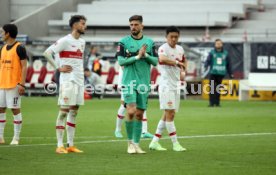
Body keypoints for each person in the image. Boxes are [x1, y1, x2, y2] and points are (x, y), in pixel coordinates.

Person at [43, 15, 87, 154]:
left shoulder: (82, 42)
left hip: (79, 81)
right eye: (82, 23)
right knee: (64, 111)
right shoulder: (64, 41)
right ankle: (59, 145)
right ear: (75, 25)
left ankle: (71, 145)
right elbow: (47, 53)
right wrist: (58, 67)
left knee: (74, 111)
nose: (84, 26)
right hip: (68, 80)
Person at [117, 15, 158, 154]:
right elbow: (121, 62)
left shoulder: (150, 42)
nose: (133, 27)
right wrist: (137, 56)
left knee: (140, 114)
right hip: (129, 81)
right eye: (131, 25)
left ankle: (136, 144)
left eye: (136, 24)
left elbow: (155, 61)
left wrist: (145, 55)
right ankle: (129, 143)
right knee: (131, 111)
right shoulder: (123, 42)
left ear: (142, 26)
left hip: (144, 82)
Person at [149, 26, 187, 152]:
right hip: (166, 85)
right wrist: (177, 63)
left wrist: (182, 71)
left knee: (168, 114)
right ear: (166, 37)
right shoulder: (163, 48)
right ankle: (175, 144)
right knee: (170, 114)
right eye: (171, 37)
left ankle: (154, 142)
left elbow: (183, 62)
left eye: (176, 37)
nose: (174, 39)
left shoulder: (180, 49)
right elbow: (162, 59)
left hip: (175, 85)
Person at [0, 24, 28, 145]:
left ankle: (16, 137)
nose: (1, 34)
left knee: (15, 110)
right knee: (1, 109)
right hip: (2, 84)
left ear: (7, 34)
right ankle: (0, 137)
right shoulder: (3, 47)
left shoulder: (19, 47)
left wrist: (22, 84)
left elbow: (24, 66)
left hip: (14, 85)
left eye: (2, 32)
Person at [114, 65, 153, 139]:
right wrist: (120, 86)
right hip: (127, 84)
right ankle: (117, 130)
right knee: (124, 106)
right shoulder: (126, 60)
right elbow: (122, 69)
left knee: (142, 106)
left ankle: (144, 131)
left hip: (139, 84)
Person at [204, 39, 233, 107]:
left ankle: (217, 103)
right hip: (213, 72)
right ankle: (211, 103)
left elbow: (229, 64)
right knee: (212, 88)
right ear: (215, 44)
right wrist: (206, 65)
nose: (218, 45)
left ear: (222, 44)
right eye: (217, 43)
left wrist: (231, 73)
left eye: (220, 43)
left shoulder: (225, 53)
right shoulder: (212, 52)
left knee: (218, 88)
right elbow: (208, 60)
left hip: (221, 73)